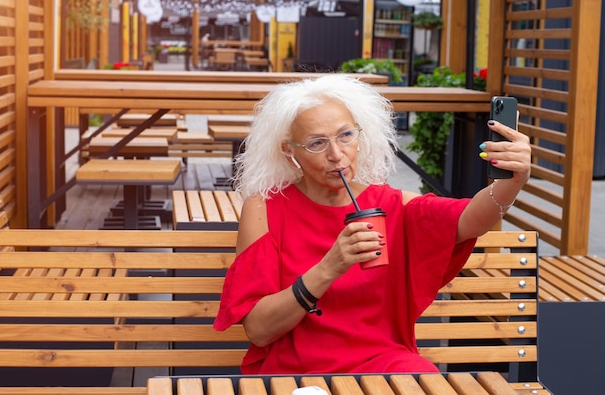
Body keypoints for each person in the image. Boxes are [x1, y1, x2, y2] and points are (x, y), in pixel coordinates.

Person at [213, 74, 532, 374]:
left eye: (346, 135)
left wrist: (514, 180)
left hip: (383, 362)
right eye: (317, 143)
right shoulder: (265, 208)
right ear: (288, 151)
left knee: (423, 378)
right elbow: (258, 330)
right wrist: (330, 267)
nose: (337, 155)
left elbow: (470, 220)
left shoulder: (392, 204)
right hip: (295, 370)